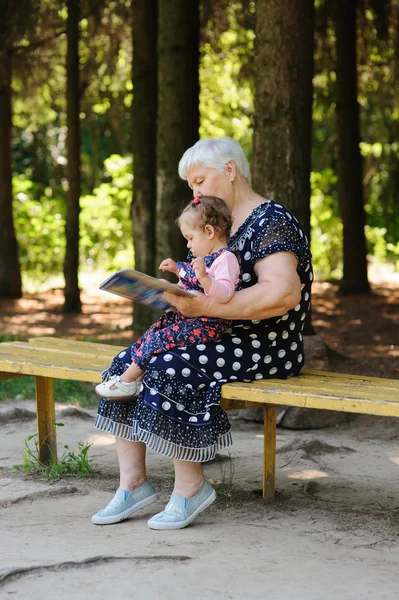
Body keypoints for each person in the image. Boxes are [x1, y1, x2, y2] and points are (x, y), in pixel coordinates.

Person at [92, 137, 313, 530]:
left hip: (266, 344)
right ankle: (134, 484)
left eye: (199, 181)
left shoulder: (270, 220)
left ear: (230, 171)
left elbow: (283, 293)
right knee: (125, 363)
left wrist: (202, 306)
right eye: (190, 186)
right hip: (216, 334)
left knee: (170, 365)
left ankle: (192, 488)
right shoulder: (218, 224)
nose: (194, 194)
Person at [95, 195, 240, 401]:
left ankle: (126, 382)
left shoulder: (226, 258)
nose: (188, 245)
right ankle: (135, 380)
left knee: (160, 339)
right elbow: (191, 285)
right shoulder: (205, 259)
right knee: (152, 333)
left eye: (190, 238)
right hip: (190, 319)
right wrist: (173, 281)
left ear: (209, 232)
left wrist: (205, 279)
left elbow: (225, 294)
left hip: (207, 324)